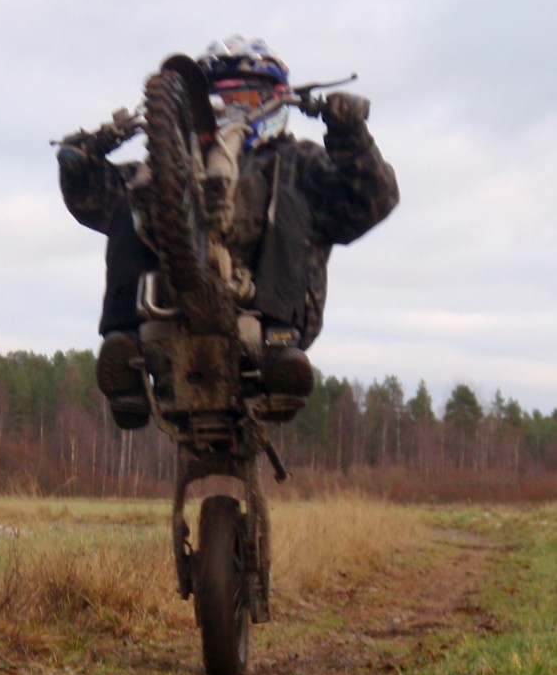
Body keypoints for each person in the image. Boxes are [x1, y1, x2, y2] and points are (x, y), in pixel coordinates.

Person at [57, 35, 399, 429]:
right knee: (133, 194)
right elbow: (95, 199)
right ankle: (123, 346)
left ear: (277, 99)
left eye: (249, 98)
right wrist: (82, 160)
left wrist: (349, 133)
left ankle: (279, 344)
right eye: (220, 98)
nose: (234, 107)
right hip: (170, 306)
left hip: (269, 309)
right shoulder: (171, 168)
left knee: (289, 191)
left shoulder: (299, 162)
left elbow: (372, 199)